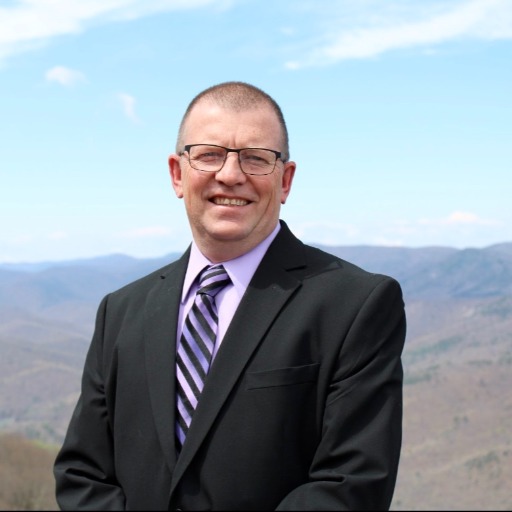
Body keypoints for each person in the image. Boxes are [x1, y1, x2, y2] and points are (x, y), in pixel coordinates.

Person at [54, 81, 406, 510]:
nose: (231, 175)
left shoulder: (356, 305)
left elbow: (351, 486)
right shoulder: (121, 310)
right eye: (209, 154)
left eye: (256, 158)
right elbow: (83, 474)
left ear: (285, 181)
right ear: (177, 174)